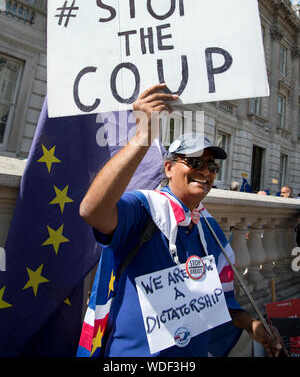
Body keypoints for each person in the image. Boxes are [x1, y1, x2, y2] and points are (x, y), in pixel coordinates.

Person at [80, 83, 283, 357]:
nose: (206, 172)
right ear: (168, 167)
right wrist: (143, 136)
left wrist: (252, 324)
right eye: (194, 162)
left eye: (212, 166)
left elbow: (220, 302)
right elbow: (92, 211)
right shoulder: (143, 208)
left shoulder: (210, 230)